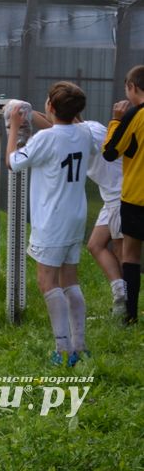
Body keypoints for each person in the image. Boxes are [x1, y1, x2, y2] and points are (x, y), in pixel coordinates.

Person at [6, 81, 93, 366]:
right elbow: (62, 130)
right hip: (75, 217)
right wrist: (34, 116)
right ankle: (80, 346)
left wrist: (14, 128)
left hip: (52, 220)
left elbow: (13, 162)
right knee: (70, 280)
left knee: (47, 282)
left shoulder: (45, 139)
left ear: (51, 106)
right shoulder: (84, 132)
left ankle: (63, 349)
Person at [33, 112, 127, 317]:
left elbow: (51, 129)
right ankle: (120, 293)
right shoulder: (89, 127)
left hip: (121, 197)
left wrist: (24, 112)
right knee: (95, 245)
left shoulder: (84, 133)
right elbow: (54, 126)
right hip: (111, 198)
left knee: (123, 254)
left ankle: (127, 308)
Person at [103, 64, 144, 325]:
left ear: (132, 87)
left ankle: (130, 315)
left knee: (130, 255)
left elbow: (110, 152)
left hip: (137, 197)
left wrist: (116, 121)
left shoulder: (134, 115)